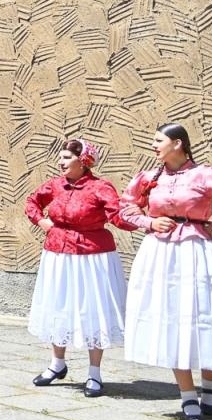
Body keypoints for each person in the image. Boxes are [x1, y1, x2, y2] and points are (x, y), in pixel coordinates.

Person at [121, 124, 212, 420]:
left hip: (199, 252)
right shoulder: (148, 178)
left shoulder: (205, 174)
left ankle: (209, 390)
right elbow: (126, 208)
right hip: (161, 255)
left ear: (178, 143)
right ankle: (187, 396)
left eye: (158, 140)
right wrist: (149, 222)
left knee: (205, 318)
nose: (153, 145)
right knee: (173, 320)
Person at [23, 140, 132, 397]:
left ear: (83, 161)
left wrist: (143, 217)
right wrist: (42, 221)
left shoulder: (100, 187)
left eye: (66, 158)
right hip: (58, 253)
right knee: (58, 305)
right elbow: (31, 202)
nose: (61, 162)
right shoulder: (55, 184)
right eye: (60, 158)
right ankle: (57, 364)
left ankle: (94, 373)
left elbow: (118, 217)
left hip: (92, 256)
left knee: (93, 309)